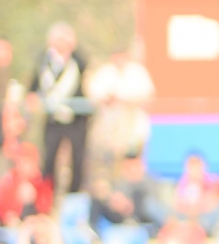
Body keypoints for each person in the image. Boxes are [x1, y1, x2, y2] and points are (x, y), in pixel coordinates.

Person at [30, 23, 89, 196]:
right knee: (49, 158)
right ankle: (47, 195)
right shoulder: (45, 61)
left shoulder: (77, 62)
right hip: (53, 118)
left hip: (76, 119)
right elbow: (35, 85)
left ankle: (74, 195)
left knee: (77, 159)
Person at [84, 37, 153, 168]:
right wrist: (107, 99)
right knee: (109, 160)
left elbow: (146, 94)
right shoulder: (105, 72)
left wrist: (125, 100)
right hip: (109, 124)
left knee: (132, 157)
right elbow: (94, 93)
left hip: (132, 122)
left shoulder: (137, 72)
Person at [173, 151, 219, 229]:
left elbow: (216, 203)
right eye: (191, 165)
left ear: (203, 165)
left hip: (209, 220)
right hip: (188, 221)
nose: (194, 169)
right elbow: (178, 205)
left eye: (196, 164)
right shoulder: (183, 183)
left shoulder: (214, 180)